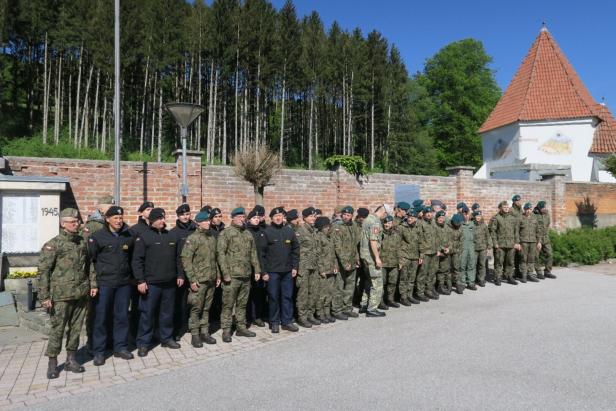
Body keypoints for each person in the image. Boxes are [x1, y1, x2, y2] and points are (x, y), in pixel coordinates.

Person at [38, 208, 89, 379]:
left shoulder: (81, 242)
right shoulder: (53, 244)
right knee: (57, 329)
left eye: (77, 221)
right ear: (63, 224)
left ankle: (71, 360)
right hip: (60, 295)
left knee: (75, 329)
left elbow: (89, 266)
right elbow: (43, 271)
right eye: (73, 222)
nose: (77, 224)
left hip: (80, 293)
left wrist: (91, 285)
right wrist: (44, 296)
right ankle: (52, 363)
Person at [132, 208, 184, 357]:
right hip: (151, 283)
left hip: (169, 282)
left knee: (167, 313)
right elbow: (137, 261)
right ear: (151, 220)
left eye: (163, 218)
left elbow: (178, 258)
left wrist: (180, 275)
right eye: (159, 218)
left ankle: (166, 338)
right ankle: (143, 343)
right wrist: (140, 280)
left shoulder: (171, 236)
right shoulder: (144, 237)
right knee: (147, 314)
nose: (162, 221)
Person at [88, 206, 135, 366]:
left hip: (123, 283)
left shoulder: (128, 235)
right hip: (104, 283)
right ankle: (99, 351)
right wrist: (93, 283)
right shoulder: (97, 237)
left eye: (121, 218)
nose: (119, 221)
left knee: (121, 316)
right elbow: (91, 262)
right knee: (101, 318)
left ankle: (120, 347)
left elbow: (133, 258)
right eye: (115, 218)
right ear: (107, 219)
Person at [216, 207, 262, 343]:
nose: (242, 219)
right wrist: (225, 273)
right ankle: (226, 330)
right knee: (228, 305)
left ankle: (241, 327)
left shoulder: (248, 234)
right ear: (233, 218)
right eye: (240, 217)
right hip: (232, 276)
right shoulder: (226, 233)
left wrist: (257, 270)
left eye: (244, 217)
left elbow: (253, 253)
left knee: (242, 304)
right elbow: (221, 254)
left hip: (246, 275)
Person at [181, 210, 220, 347]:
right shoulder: (193, 238)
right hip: (199, 280)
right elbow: (186, 260)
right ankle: (195, 334)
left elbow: (215, 258)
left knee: (206, 308)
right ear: (198, 222)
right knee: (196, 308)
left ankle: (205, 332)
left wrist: (218, 275)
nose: (208, 223)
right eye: (205, 221)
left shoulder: (211, 238)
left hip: (211, 278)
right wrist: (192, 279)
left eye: (209, 220)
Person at [261, 207, 300, 333]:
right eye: (275, 216)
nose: (278, 218)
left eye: (280, 215)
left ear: (283, 217)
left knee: (287, 296)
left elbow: (295, 250)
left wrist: (295, 267)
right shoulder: (267, 232)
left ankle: (287, 321)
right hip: (272, 272)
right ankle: (274, 322)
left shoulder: (289, 231)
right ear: (271, 218)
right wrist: (264, 272)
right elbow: (261, 254)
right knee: (273, 297)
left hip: (287, 271)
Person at [171, 203, 197, 341]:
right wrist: (179, 274)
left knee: (196, 302)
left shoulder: (196, 230)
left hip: (196, 272)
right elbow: (175, 256)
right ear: (178, 216)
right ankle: (177, 330)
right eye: (182, 215)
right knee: (179, 303)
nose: (185, 217)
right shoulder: (174, 233)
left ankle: (194, 327)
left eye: (187, 214)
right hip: (181, 274)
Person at [359, 204, 390, 317]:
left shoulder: (368, 219)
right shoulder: (375, 222)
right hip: (371, 257)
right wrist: (377, 258)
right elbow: (373, 241)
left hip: (364, 256)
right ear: (384, 213)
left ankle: (363, 304)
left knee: (369, 281)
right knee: (377, 283)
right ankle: (372, 309)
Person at [331, 206, 360, 319]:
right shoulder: (337, 227)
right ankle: (336, 310)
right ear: (341, 215)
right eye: (345, 215)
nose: (346, 217)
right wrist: (344, 262)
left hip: (352, 261)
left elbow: (354, 245)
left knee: (350, 286)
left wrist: (357, 258)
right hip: (340, 262)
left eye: (349, 215)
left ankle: (347, 308)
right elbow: (337, 247)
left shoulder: (353, 226)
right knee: (339, 287)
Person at [295, 207, 320, 328]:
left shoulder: (314, 231)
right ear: (304, 218)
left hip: (314, 266)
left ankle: (310, 315)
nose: (313, 218)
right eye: (311, 216)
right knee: (303, 294)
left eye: (314, 216)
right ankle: (302, 317)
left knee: (313, 291)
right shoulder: (300, 231)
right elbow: (295, 251)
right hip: (303, 267)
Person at [246, 207, 268, 328]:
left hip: (261, 266)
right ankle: (247, 317)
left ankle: (257, 316)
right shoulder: (246, 231)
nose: (256, 220)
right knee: (247, 294)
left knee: (258, 293)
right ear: (249, 219)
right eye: (254, 218)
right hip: (248, 267)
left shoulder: (262, 231)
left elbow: (264, 252)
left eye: (258, 218)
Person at [315, 216, 339, 323]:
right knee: (322, 293)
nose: (327, 228)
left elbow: (333, 254)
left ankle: (327, 312)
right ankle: (320, 313)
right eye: (325, 227)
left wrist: (335, 266)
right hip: (323, 270)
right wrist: (321, 270)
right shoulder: (318, 238)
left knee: (330, 292)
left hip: (331, 269)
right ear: (320, 227)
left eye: (328, 226)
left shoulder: (329, 237)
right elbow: (318, 255)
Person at [490, 201, 521, 286]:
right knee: (499, 261)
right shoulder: (496, 218)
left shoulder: (513, 218)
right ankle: (498, 277)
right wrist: (495, 243)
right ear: (500, 208)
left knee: (510, 262)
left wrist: (517, 242)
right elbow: (493, 232)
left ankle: (509, 276)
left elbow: (516, 232)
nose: (506, 208)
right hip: (500, 244)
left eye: (507, 207)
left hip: (511, 244)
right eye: (504, 207)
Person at [398, 209, 422, 305]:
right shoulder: (401, 227)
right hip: (405, 256)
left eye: (412, 218)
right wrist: (400, 257)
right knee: (404, 278)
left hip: (415, 256)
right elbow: (398, 243)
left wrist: (421, 256)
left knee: (412, 278)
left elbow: (421, 242)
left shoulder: (418, 228)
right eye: (408, 217)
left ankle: (409, 295)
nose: (410, 219)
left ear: (416, 219)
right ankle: (403, 297)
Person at [380, 215, 402, 308]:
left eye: (389, 223)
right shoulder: (380, 234)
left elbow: (399, 248)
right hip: (382, 263)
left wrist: (400, 261)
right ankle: (380, 301)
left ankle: (390, 299)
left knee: (392, 282)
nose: (387, 225)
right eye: (385, 223)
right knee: (382, 283)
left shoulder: (396, 234)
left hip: (394, 262)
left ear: (392, 223)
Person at [418, 206, 439, 300]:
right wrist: (421, 255)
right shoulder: (421, 224)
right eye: (427, 213)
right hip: (425, 253)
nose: (429, 214)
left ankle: (429, 290)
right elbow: (420, 240)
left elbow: (437, 237)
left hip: (434, 252)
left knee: (432, 273)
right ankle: (420, 292)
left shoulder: (434, 223)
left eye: (430, 213)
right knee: (423, 274)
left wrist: (438, 249)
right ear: (424, 214)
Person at [518, 202, 541, 283]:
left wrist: (539, 242)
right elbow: (516, 231)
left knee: (531, 258)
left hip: (533, 242)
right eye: (527, 209)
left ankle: (530, 274)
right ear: (524, 210)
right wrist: (518, 243)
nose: (528, 211)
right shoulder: (520, 218)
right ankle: (524, 275)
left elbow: (538, 231)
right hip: (523, 241)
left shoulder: (534, 218)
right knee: (523, 259)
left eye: (530, 209)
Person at [534, 201, 556, 279]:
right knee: (536, 256)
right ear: (539, 208)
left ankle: (547, 271)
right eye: (543, 207)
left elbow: (547, 224)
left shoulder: (547, 214)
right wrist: (538, 240)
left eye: (545, 207)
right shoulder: (534, 215)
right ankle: (538, 272)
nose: (544, 208)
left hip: (545, 238)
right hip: (536, 238)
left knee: (549, 254)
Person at [458, 208, 477, 291]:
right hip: (462, 248)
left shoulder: (473, 224)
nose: (466, 216)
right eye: (464, 214)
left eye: (467, 214)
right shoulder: (459, 225)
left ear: (470, 214)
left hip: (471, 247)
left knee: (471, 265)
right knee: (462, 265)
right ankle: (462, 283)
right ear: (462, 214)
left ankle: (471, 282)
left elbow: (477, 237)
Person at [472, 211, 492, 287]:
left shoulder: (484, 225)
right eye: (477, 216)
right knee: (473, 265)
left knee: (482, 264)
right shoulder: (471, 225)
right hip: (474, 248)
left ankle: (481, 279)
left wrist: (489, 245)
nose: (478, 217)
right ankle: (472, 279)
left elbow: (488, 235)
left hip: (483, 248)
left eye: (479, 216)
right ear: (474, 217)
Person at [434, 210, 452, 296]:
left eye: (443, 218)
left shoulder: (447, 227)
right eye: (439, 218)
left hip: (445, 252)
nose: (441, 219)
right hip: (436, 251)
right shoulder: (434, 227)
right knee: (437, 270)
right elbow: (434, 241)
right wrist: (441, 248)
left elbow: (450, 240)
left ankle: (443, 286)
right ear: (436, 218)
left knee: (444, 269)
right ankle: (438, 286)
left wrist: (449, 248)